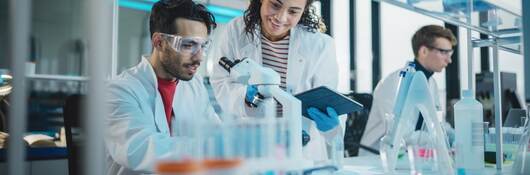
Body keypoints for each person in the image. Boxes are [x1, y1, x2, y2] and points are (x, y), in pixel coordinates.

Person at [208, 0, 341, 162]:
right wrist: (244, 97)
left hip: (302, 149)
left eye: (293, 12)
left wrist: (331, 127)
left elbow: (327, 98)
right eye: (275, 5)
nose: (281, 17)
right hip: (250, 144)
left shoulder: (320, 45)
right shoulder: (236, 31)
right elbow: (221, 81)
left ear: (304, 11)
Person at [105, 0, 218, 174]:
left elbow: (216, 133)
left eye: (203, 46)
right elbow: (139, 149)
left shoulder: (194, 86)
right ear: (159, 42)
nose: (199, 57)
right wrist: (209, 147)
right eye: (188, 45)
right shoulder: (120, 90)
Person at [360, 24, 457, 155]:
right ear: (423, 51)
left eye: (450, 53)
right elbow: (401, 134)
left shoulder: (431, 83)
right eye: (444, 52)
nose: (449, 60)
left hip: (409, 155)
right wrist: (440, 139)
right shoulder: (396, 81)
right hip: (377, 157)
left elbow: (437, 124)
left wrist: (455, 138)